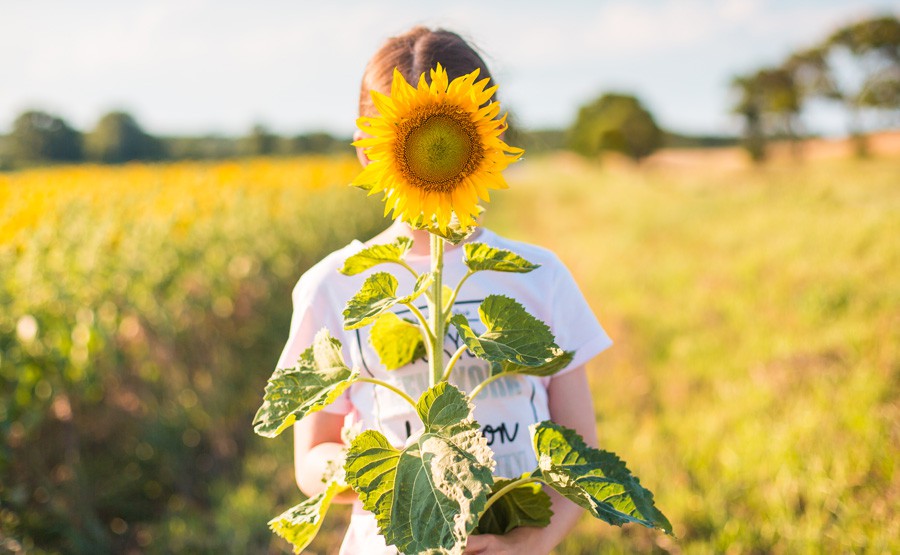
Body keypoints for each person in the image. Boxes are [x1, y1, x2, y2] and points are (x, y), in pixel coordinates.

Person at [280, 26, 613, 555]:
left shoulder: (539, 275)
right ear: (370, 149)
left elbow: (579, 453)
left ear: (490, 138)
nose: (437, 151)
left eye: (450, 135)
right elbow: (310, 459)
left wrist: (528, 545)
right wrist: (384, 470)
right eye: (409, 136)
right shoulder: (335, 284)